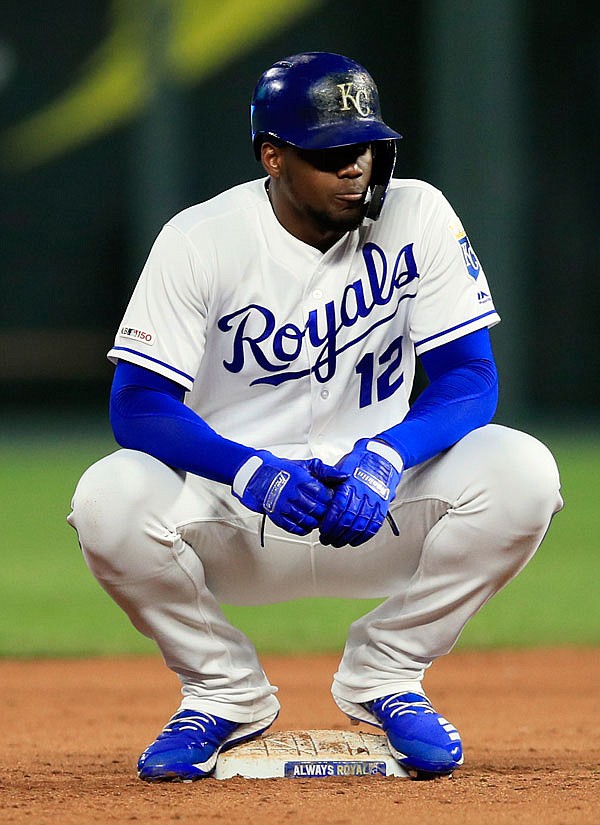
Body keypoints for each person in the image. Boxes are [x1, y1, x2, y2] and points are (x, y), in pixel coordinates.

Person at [68, 52, 562, 782]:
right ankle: (222, 690)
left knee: (524, 471)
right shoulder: (200, 238)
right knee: (105, 497)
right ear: (273, 156)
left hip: (378, 505)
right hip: (238, 515)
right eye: (331, 153)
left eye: (365, 146)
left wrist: (390, 453)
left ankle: (386, 672)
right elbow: (137, 403)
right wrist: (248, 471)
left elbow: (469, 377)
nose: (356, 166)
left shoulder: (417, 213)